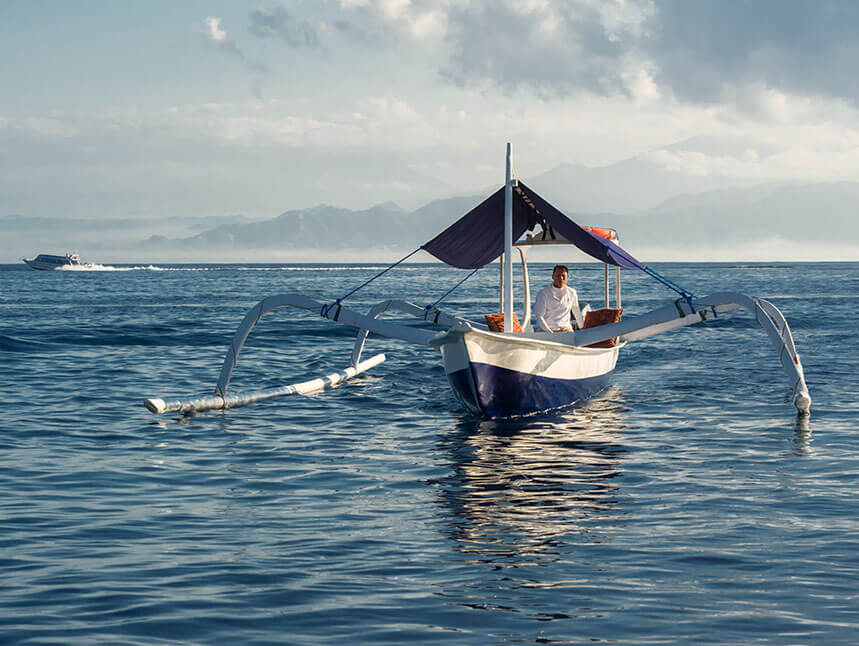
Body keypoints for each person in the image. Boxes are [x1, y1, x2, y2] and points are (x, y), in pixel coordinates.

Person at [534, 265, 587, 332]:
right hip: (546, 330)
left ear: (567, 278)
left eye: (563, 276)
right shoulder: (543, 293)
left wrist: (583, 330)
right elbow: (539, 316)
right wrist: (550, 332)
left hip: (565, 329)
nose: (561, 278)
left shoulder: (572, 292)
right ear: (553, 277)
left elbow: (577, 312)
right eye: (558, 275)